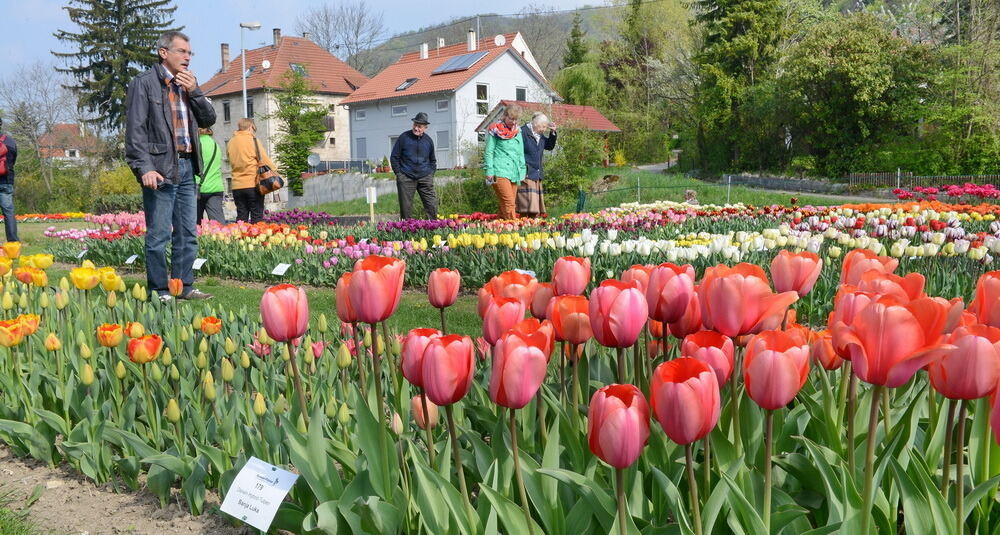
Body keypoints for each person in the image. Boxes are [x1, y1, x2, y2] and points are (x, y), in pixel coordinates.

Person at [125, 30, 216, 302]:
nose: (187, 57)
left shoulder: (188, 85)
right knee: (159, 235)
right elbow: (135, 132)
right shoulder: (144, 84)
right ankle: (160, 290)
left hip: (188, 168)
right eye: (182, 52)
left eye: (190, 53)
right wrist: (144, 168)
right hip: (161, 169)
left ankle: (184, 286)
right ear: (164, 53)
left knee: (188, 234)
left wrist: (196, 92)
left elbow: (208, 120)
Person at [390, 112, 437, 220]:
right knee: (405, 209)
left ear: (425, 127)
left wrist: (430, 175)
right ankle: (407, 232)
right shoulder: (404, 137)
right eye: (415, 125)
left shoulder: (428, 141)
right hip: (406, 177)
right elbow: (394, 157)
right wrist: (399, 174)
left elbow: (433, 160)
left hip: (425, 177)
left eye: (419, 126)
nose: (416, 128)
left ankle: (433, 229)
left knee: (432, 205)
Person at [226, 118, 274, 223]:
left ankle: (239, 238)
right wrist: (275, 172)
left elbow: (230, 159)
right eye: (254, 129)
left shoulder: (230, 142)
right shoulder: (253, 141)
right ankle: (256, 239)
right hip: (253, 185)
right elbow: (265, 160)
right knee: (257, 218)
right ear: (250, 127)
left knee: (241, 218)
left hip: (237, 186)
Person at [484, 104, 526, 220]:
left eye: (516, 119)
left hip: (514, 172)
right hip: (499, 171)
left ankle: (499, 229)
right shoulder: (495, 130)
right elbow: (489, 152)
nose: (513, 122)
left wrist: (522, 170)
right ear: (504, 116)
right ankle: (513, 228)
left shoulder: (518, 131)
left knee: (507, 202)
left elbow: (520, 152)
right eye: (511, 119)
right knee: (509, 203)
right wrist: (489, 170)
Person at [518, 112, 557, 217]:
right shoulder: (522, 132)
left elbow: (549, 146)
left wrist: (553, 132)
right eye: (543, 126)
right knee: (526, 207)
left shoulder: (540, 135)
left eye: (545, 127)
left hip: (537, 174)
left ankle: (534, 229)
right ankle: (524, 228)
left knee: (536, 211)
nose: (544, 129)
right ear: (535, 124)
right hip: (526, 174)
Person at [195, 127, 225, 224]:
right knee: (218, 227)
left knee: (194, 226)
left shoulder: (195, 144)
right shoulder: (216, 144)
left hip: (197, 188)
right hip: (216, 188)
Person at [0, 117, 18, 242]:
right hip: (6, 181)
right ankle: (13, 242)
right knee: (8, 213)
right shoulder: (10, 142)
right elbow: (13, 161)